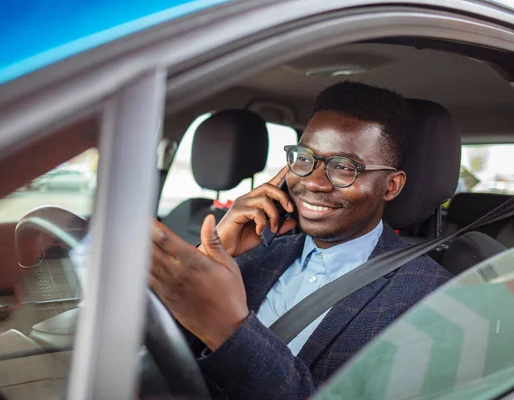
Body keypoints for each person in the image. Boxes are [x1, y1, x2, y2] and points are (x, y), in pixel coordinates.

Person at [150, 81, 452, 399]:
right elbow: (145, 350)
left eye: (344, 167)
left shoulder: (434, 301)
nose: (314, 182)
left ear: (391, 186)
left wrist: (231, 330)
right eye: (304, 158)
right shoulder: (251, 256)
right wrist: (210, 257)